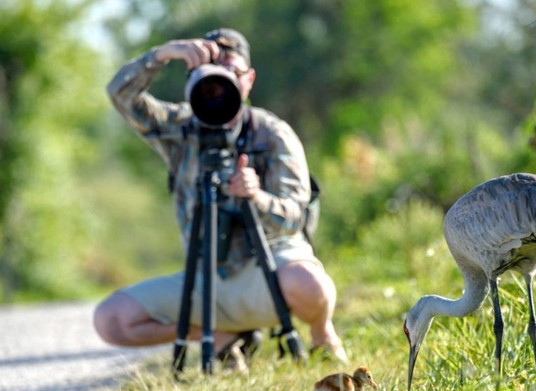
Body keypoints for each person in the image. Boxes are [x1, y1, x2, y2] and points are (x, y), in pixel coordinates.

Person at [93, 28, 348, 371]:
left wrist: (256, 196)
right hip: (207, 275)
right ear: (193, 79)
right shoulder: (180, 129)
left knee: (312, 285)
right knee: (111, 320)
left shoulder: (271, 134)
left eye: (232, 72)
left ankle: (321, 334)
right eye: (212, 74)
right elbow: (120, 95)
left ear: (249, 80)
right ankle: (222, 338)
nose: (220, 82)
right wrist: (163, 54)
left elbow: (294, 219)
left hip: (268, 268)